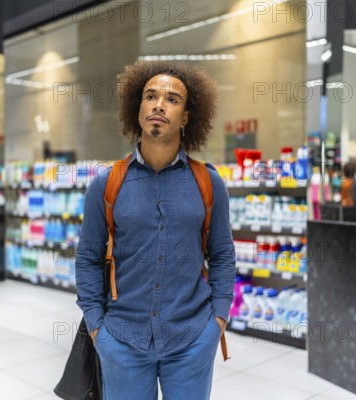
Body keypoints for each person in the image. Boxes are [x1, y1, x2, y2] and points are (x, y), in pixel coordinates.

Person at [75, 61, 236, 400]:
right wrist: (97, 329)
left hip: (191, 339)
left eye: (172, 99)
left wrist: (217, 321)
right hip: (122, 341)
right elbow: (88, 257)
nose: (159, 104)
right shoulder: (107, 184)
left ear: (187, 117)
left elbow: (222, 255)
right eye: (150, 96)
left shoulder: (208, 183)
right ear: (138, 109)